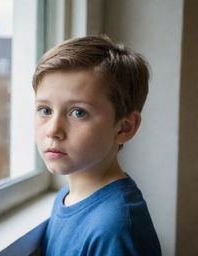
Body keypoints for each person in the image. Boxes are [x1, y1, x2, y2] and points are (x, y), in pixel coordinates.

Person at [33, 35, 162, 256]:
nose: (53, 130)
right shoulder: (66, 197)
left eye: (78, 113)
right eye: (45, 110)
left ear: (124, 128)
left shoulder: (115, 227)